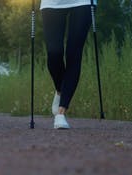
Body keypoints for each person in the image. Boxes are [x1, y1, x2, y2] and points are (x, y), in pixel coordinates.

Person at [40, 0, 95, 129]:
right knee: (54, 53)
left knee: (74, 54)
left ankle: (61, 112)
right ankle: (60, 90)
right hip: (52, 3)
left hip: (83, 2)